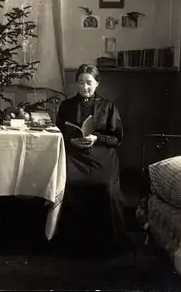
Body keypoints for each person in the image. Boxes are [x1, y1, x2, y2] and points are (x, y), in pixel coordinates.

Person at [55, 64, 126, 253]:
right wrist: (72, 141)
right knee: (70, 184)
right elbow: (59, 133)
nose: (84, 87)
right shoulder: (67, 105)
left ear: (97, 83)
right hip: (75, 153)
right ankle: (73, 244)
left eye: (89, 83)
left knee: (105, 186)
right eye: (80, 82)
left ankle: (105, 244)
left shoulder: (108, 106)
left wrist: (97, 138)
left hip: (101, 151)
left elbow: (117, 137)